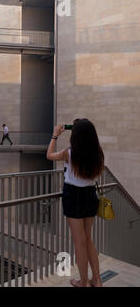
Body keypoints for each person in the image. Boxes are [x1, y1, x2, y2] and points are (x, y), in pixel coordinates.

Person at [46, 118, 104, 287]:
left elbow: (49, 155)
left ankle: (83, 281)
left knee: (79, 242)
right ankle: (97, 280)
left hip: (73, 196)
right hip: (90, 195)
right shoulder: (98, 153)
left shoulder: (69, 153)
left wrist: (55, 136)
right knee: (88, 239)